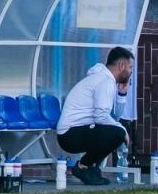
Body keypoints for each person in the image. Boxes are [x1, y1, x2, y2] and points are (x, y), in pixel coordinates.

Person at [55, 46, 134, 185]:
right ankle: (82, 167)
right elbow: (101, 117)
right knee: (118, 132)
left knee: (118, 130)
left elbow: (114, 118)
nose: (131, 72)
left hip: (77, 131)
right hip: (69, 134)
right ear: (121, 65)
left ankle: (91, 168)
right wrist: (122, 131)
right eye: (130, 67)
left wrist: (122, 94)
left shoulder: (106, 80)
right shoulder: (105, 81)